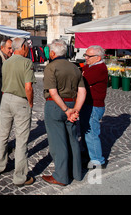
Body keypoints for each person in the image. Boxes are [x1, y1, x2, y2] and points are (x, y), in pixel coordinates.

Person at [0, 37, 36, 187]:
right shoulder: (27, 63)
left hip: (6, 99)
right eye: (27, 46)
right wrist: (30, 102)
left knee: (2, 134)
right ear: (22, 47)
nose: (28, 49)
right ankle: (20, 177)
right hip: (20, 101)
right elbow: (28, 87)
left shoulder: (7, 62)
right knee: (22, 139)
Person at [41, 39, 86, 186]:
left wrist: (66, 110)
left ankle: (61, 176)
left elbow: (53, 92)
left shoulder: (51, 67)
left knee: (57, 142)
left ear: (53, 53)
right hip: (72, 104)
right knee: (72, 139)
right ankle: (77, 173)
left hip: (56, 106)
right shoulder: (75, 68)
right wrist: (75, 110)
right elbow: (82, 91)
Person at [80, 45, 108, 169]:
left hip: (94, 105)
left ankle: (97, 160)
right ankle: (88, 154)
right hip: (87, 104)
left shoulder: (99, 68)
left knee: (91, 133)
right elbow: (82, 72)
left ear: (98, 58)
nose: (86, 58)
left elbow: (82, 80)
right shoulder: (91, 66)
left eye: (88, 56)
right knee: (85, 131)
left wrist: (83, 74)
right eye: (85, 55)